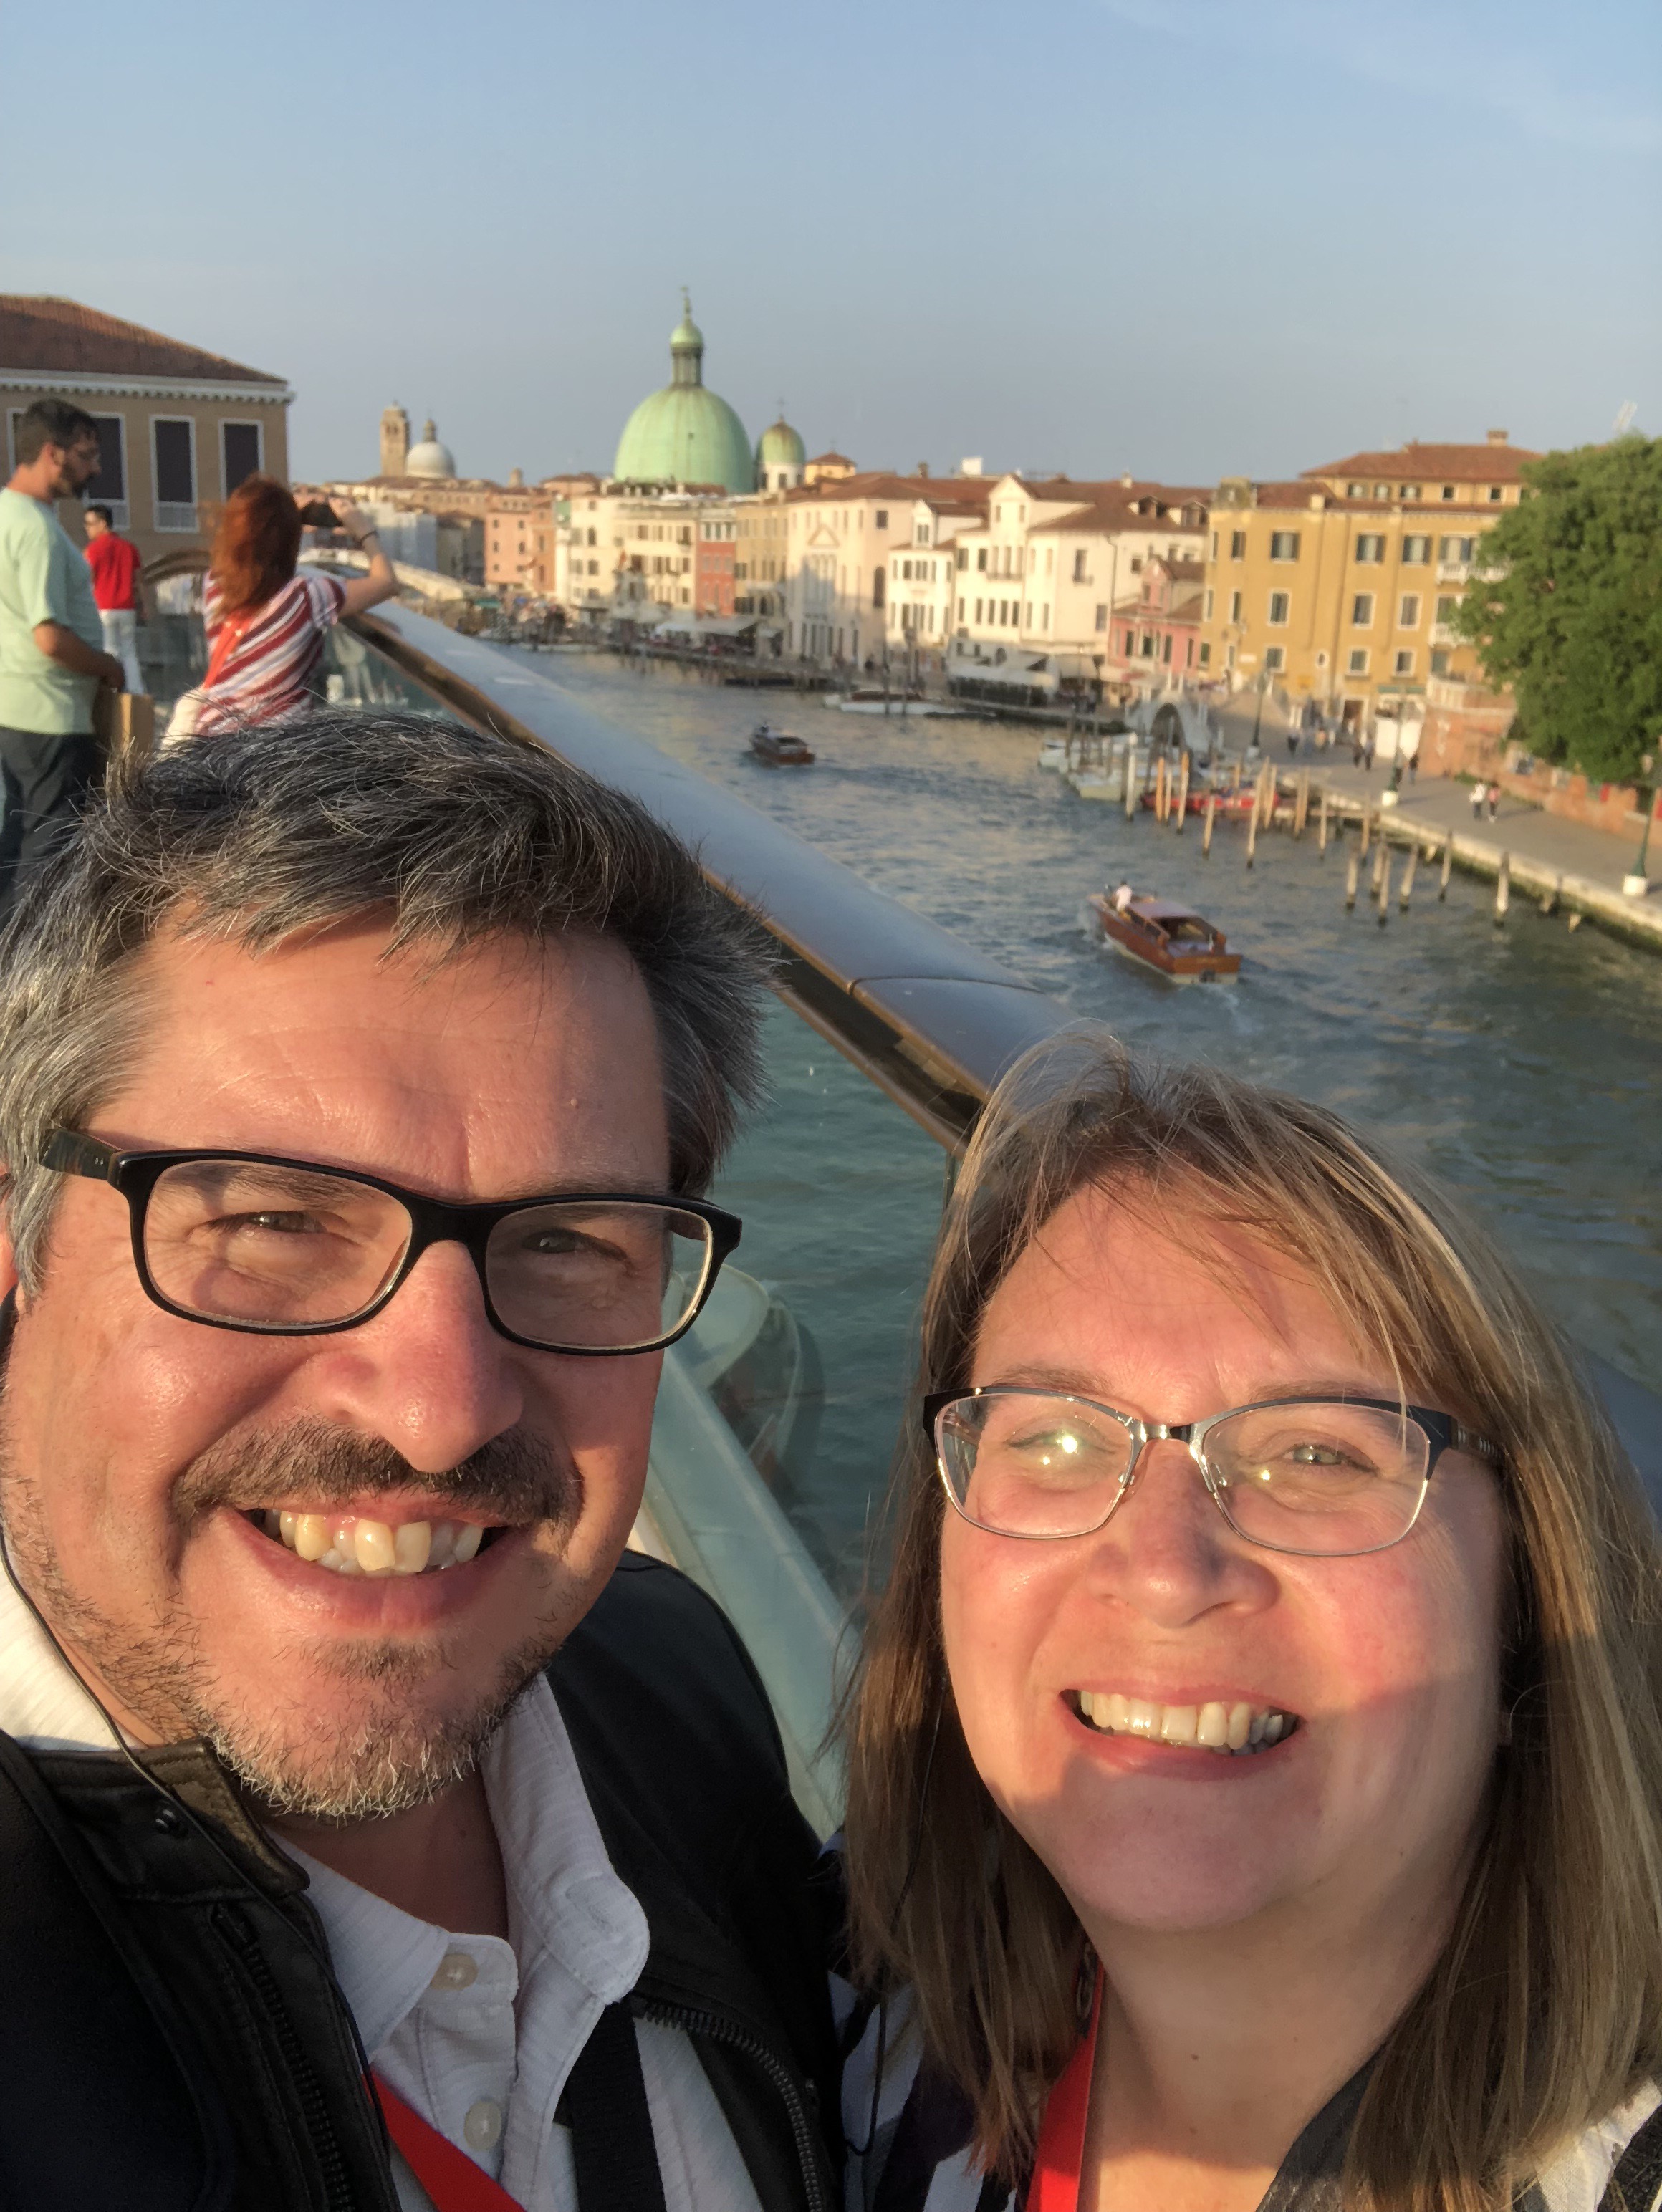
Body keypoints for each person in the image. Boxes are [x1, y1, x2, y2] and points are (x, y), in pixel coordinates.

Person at [0, 711, 840, 2209]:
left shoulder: (677, 1683)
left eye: (567, 1241)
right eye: (272, 1220)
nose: (440, 1410)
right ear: (18, 1247)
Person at [839, 1032, 1662, 2212]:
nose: (1165, 1573)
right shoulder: (857, 2024)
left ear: (1524, 1605)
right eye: (1055, 1436)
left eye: (1317, 1454)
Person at [0, 399, 125, 899]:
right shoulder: (36, 530)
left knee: (16, 847)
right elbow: (49, 636)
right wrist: (108, 666)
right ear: (52, 453)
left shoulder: (6, 514)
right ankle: (31, 949)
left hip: (14, 709)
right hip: (50, 713)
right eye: (85, 455)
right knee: (49, 857)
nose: (94, 469)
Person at [168, 475, 398, 739]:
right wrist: (365, 531)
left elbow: (248, 551)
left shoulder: (216, 586)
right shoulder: (307, 597)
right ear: (290, 539)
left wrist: (275, 517)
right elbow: (386, 582)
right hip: (272, 749)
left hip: (211, 739)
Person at [82, 501, 145, 692]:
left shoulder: (92, 550)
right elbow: (138, 580)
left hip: (104, 608)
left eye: (90, 524)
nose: (87, 528)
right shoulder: (129, 548)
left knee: (110, 652)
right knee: (129, 653)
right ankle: (135, 692)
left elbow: (85, 580)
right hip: (127, 608)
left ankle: (113, 692)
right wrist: (144, 606)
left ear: (103, 524)